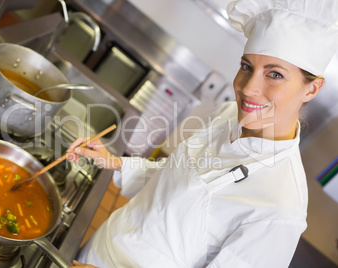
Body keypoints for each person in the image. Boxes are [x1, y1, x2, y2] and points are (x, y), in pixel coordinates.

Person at [67, 0, 338, 267]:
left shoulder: (280, 209)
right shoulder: (227, 114)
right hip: (102, 245)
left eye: (275, 75)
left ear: (312, 89)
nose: (248, 88)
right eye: (246, 67)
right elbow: (176, 177)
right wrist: (114, 161)